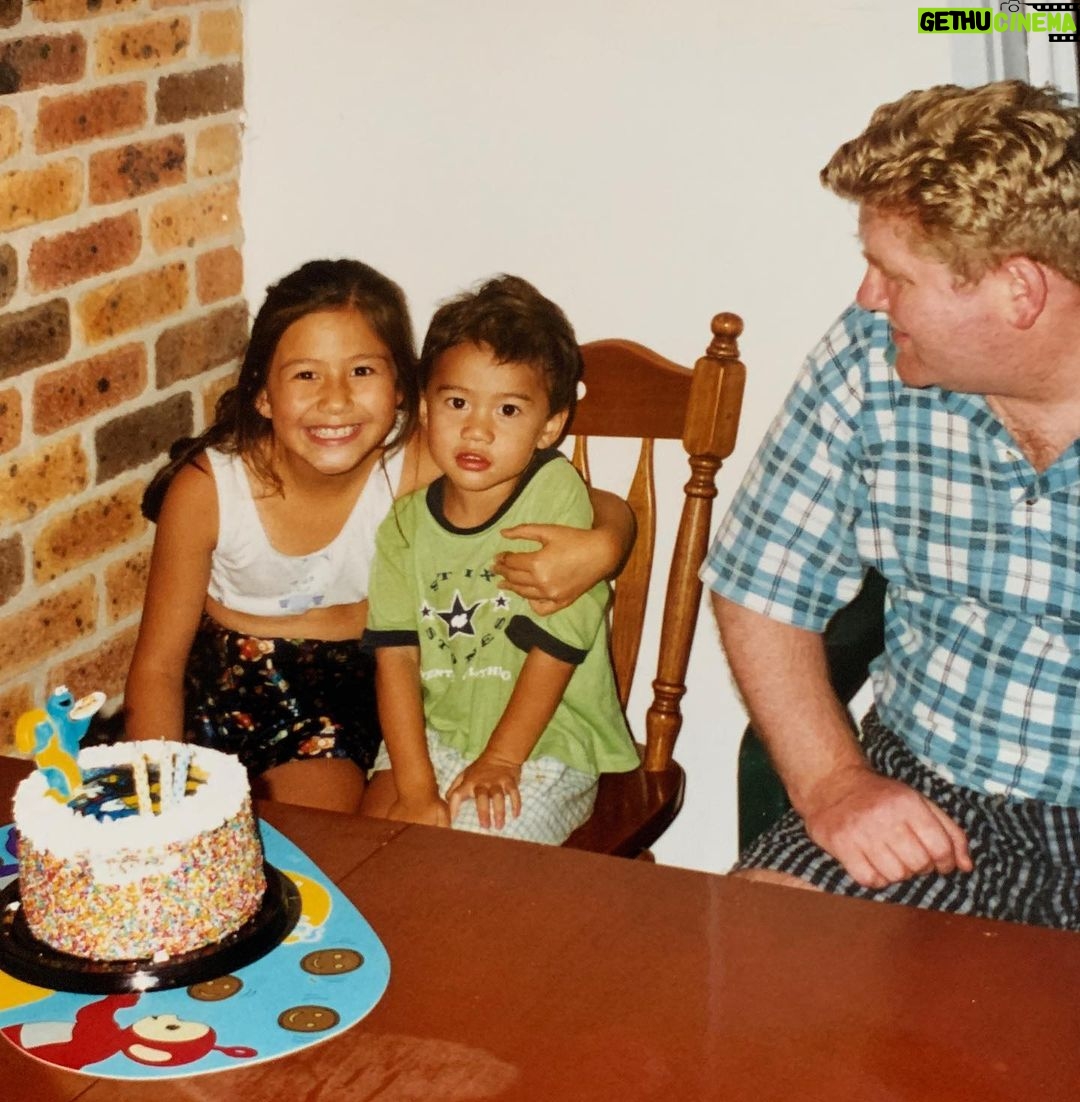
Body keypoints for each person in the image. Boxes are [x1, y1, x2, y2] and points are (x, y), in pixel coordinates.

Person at [703, 80, 1080, 928]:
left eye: (896, 274)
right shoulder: (870, 357)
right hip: (928, 796)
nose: (869, 296)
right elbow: (757, 584)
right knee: (754, 948)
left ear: (1019, 291)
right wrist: (835, 783)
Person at [125, 260, 633, 813]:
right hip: (212, 695)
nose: (335, 400)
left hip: (338, 703)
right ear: (263, 394)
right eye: (306, 375)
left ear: (400, 390)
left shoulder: (414, 462)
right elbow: (157, 668)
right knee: (178, 831)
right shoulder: (208, 489)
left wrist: (606, 544)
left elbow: (577, 496)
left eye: (362, 371)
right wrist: (159, 799)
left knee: (318, 843)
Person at [362, 275, 639, 842]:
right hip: (434, 734)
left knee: (466, 859)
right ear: (425, 408)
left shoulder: (554, 495)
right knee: (367, 851)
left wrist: (502, 759)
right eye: (457, 402)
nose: (476, 429)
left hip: (544, 743)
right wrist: (414, 787)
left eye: (508, 409)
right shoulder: (404, 525)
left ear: (550, 425)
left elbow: (555, 648)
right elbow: (397, 659)